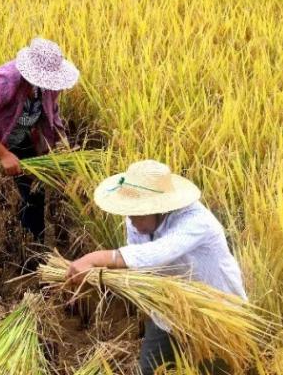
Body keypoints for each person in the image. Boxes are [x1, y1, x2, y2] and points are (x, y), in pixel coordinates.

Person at [65, 159, 247, 375]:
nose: (131, 221)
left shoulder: (197, 221)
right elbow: (139, 266)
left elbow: (157, 253)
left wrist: (96, 258)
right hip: (168, 308)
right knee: (151, 369)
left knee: (214, 369)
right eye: (130, 214)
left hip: (213, 312)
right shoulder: (137, 220)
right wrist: (100, 276)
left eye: (138, 214)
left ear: (160, 208)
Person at [0, 37, 80, 289]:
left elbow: (51, 114)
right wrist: (3, 154)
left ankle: (33, 254)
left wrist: (62, 146)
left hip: (22, 142)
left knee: (35, 197)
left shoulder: (48, 87)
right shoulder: (6, 80)